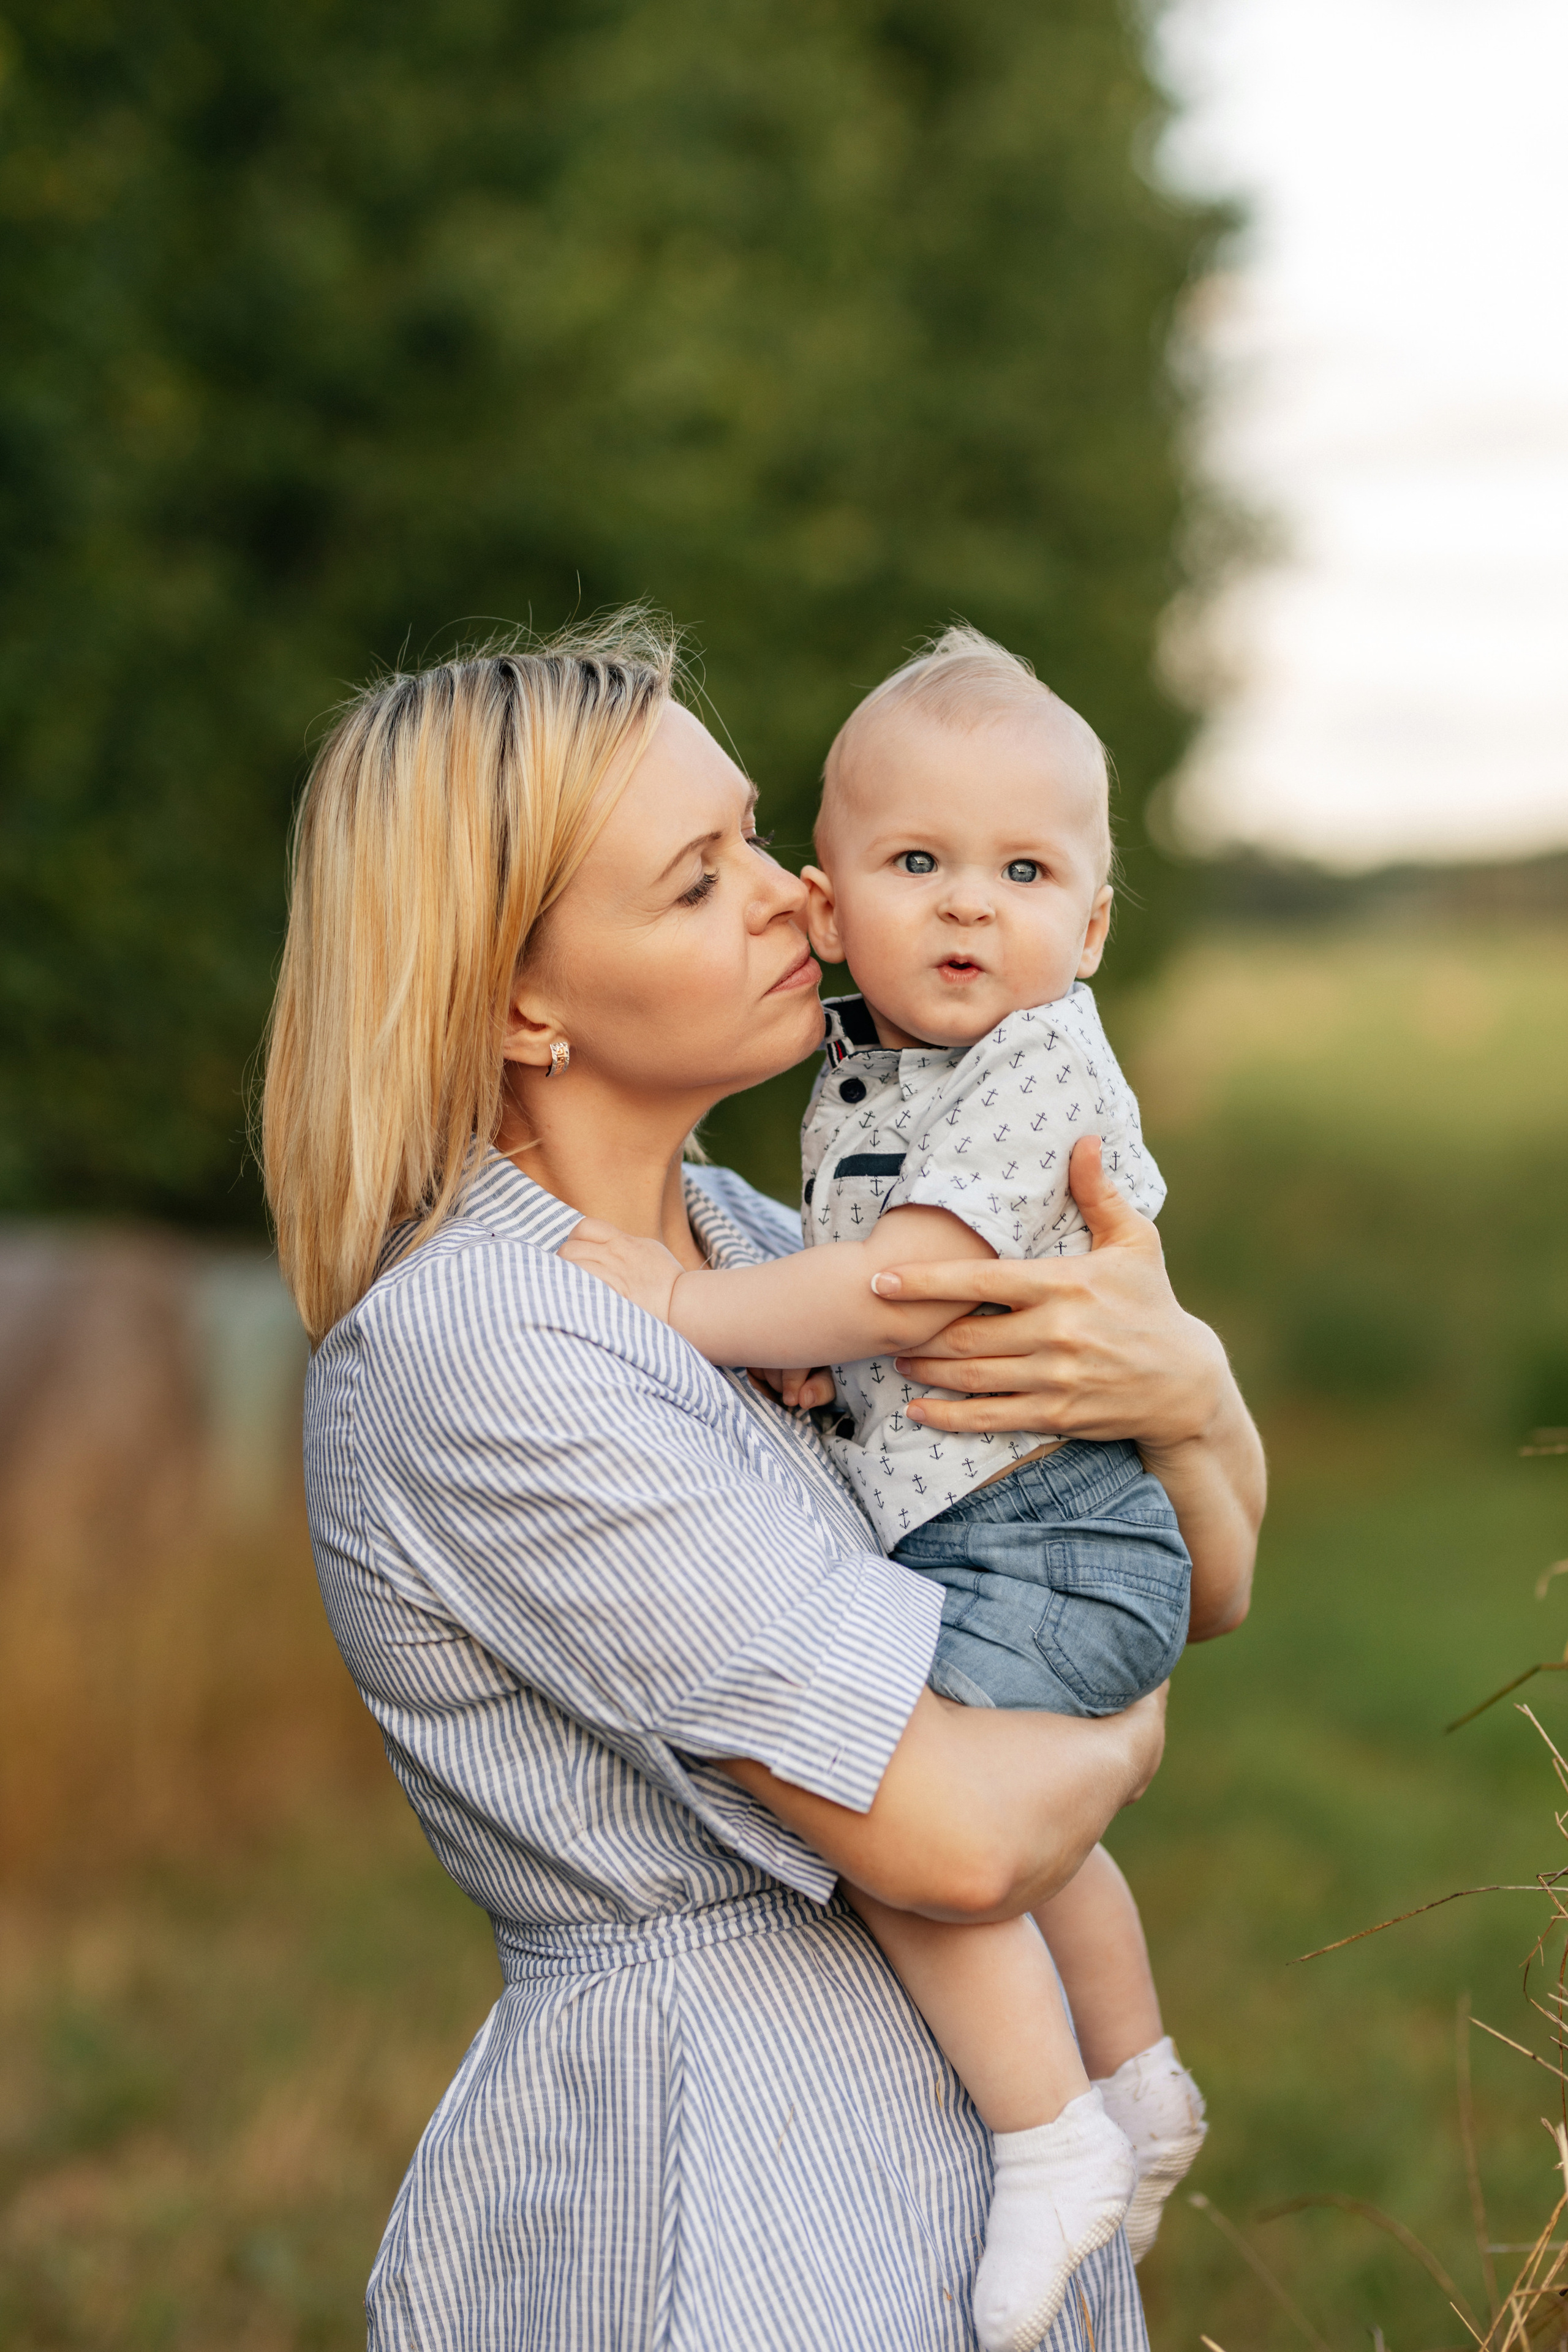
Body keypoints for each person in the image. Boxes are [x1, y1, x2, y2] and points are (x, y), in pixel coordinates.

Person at [262, 613, 1264, 2352]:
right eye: (696, 879)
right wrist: (1130, 1729)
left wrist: (1191, 1393)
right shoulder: (486, 1350)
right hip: (736, 2209)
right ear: (521, 999)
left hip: (955, 2172)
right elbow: (951, 1837)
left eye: (760, 838)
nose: (799, 898)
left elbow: (1207, 1582)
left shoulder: (768, 1250)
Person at [560, 628, 1223, 2351]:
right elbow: (859, 1303)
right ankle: (1135, 2078)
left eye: (1021, 873)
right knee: (970, 1799)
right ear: (836, 899)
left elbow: (903, 1285)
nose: (963, 909)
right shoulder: (880, 1059)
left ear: (1088, 927)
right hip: (1008, 1520)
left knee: (895, 1803)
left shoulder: (1033, 1067)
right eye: (913, 863)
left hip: (1048, 1533)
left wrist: (703, 1313)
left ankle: (1048, 2129)